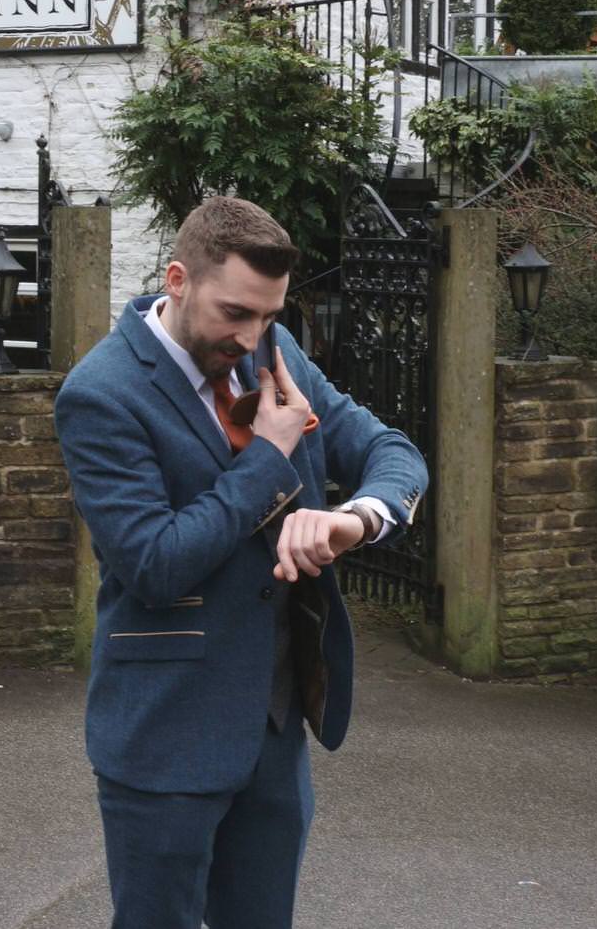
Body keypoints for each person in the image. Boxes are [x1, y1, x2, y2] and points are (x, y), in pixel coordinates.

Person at [55, 196, 427, 929]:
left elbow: (395, 453)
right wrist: (268, 457)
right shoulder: (101, 395)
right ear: (177, 279)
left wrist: (355, 518)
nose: (253, 336)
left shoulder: (274, 357)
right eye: (236, 313)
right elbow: (153, 564)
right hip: (165, 737)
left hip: (275, 726)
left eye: (269, 314)